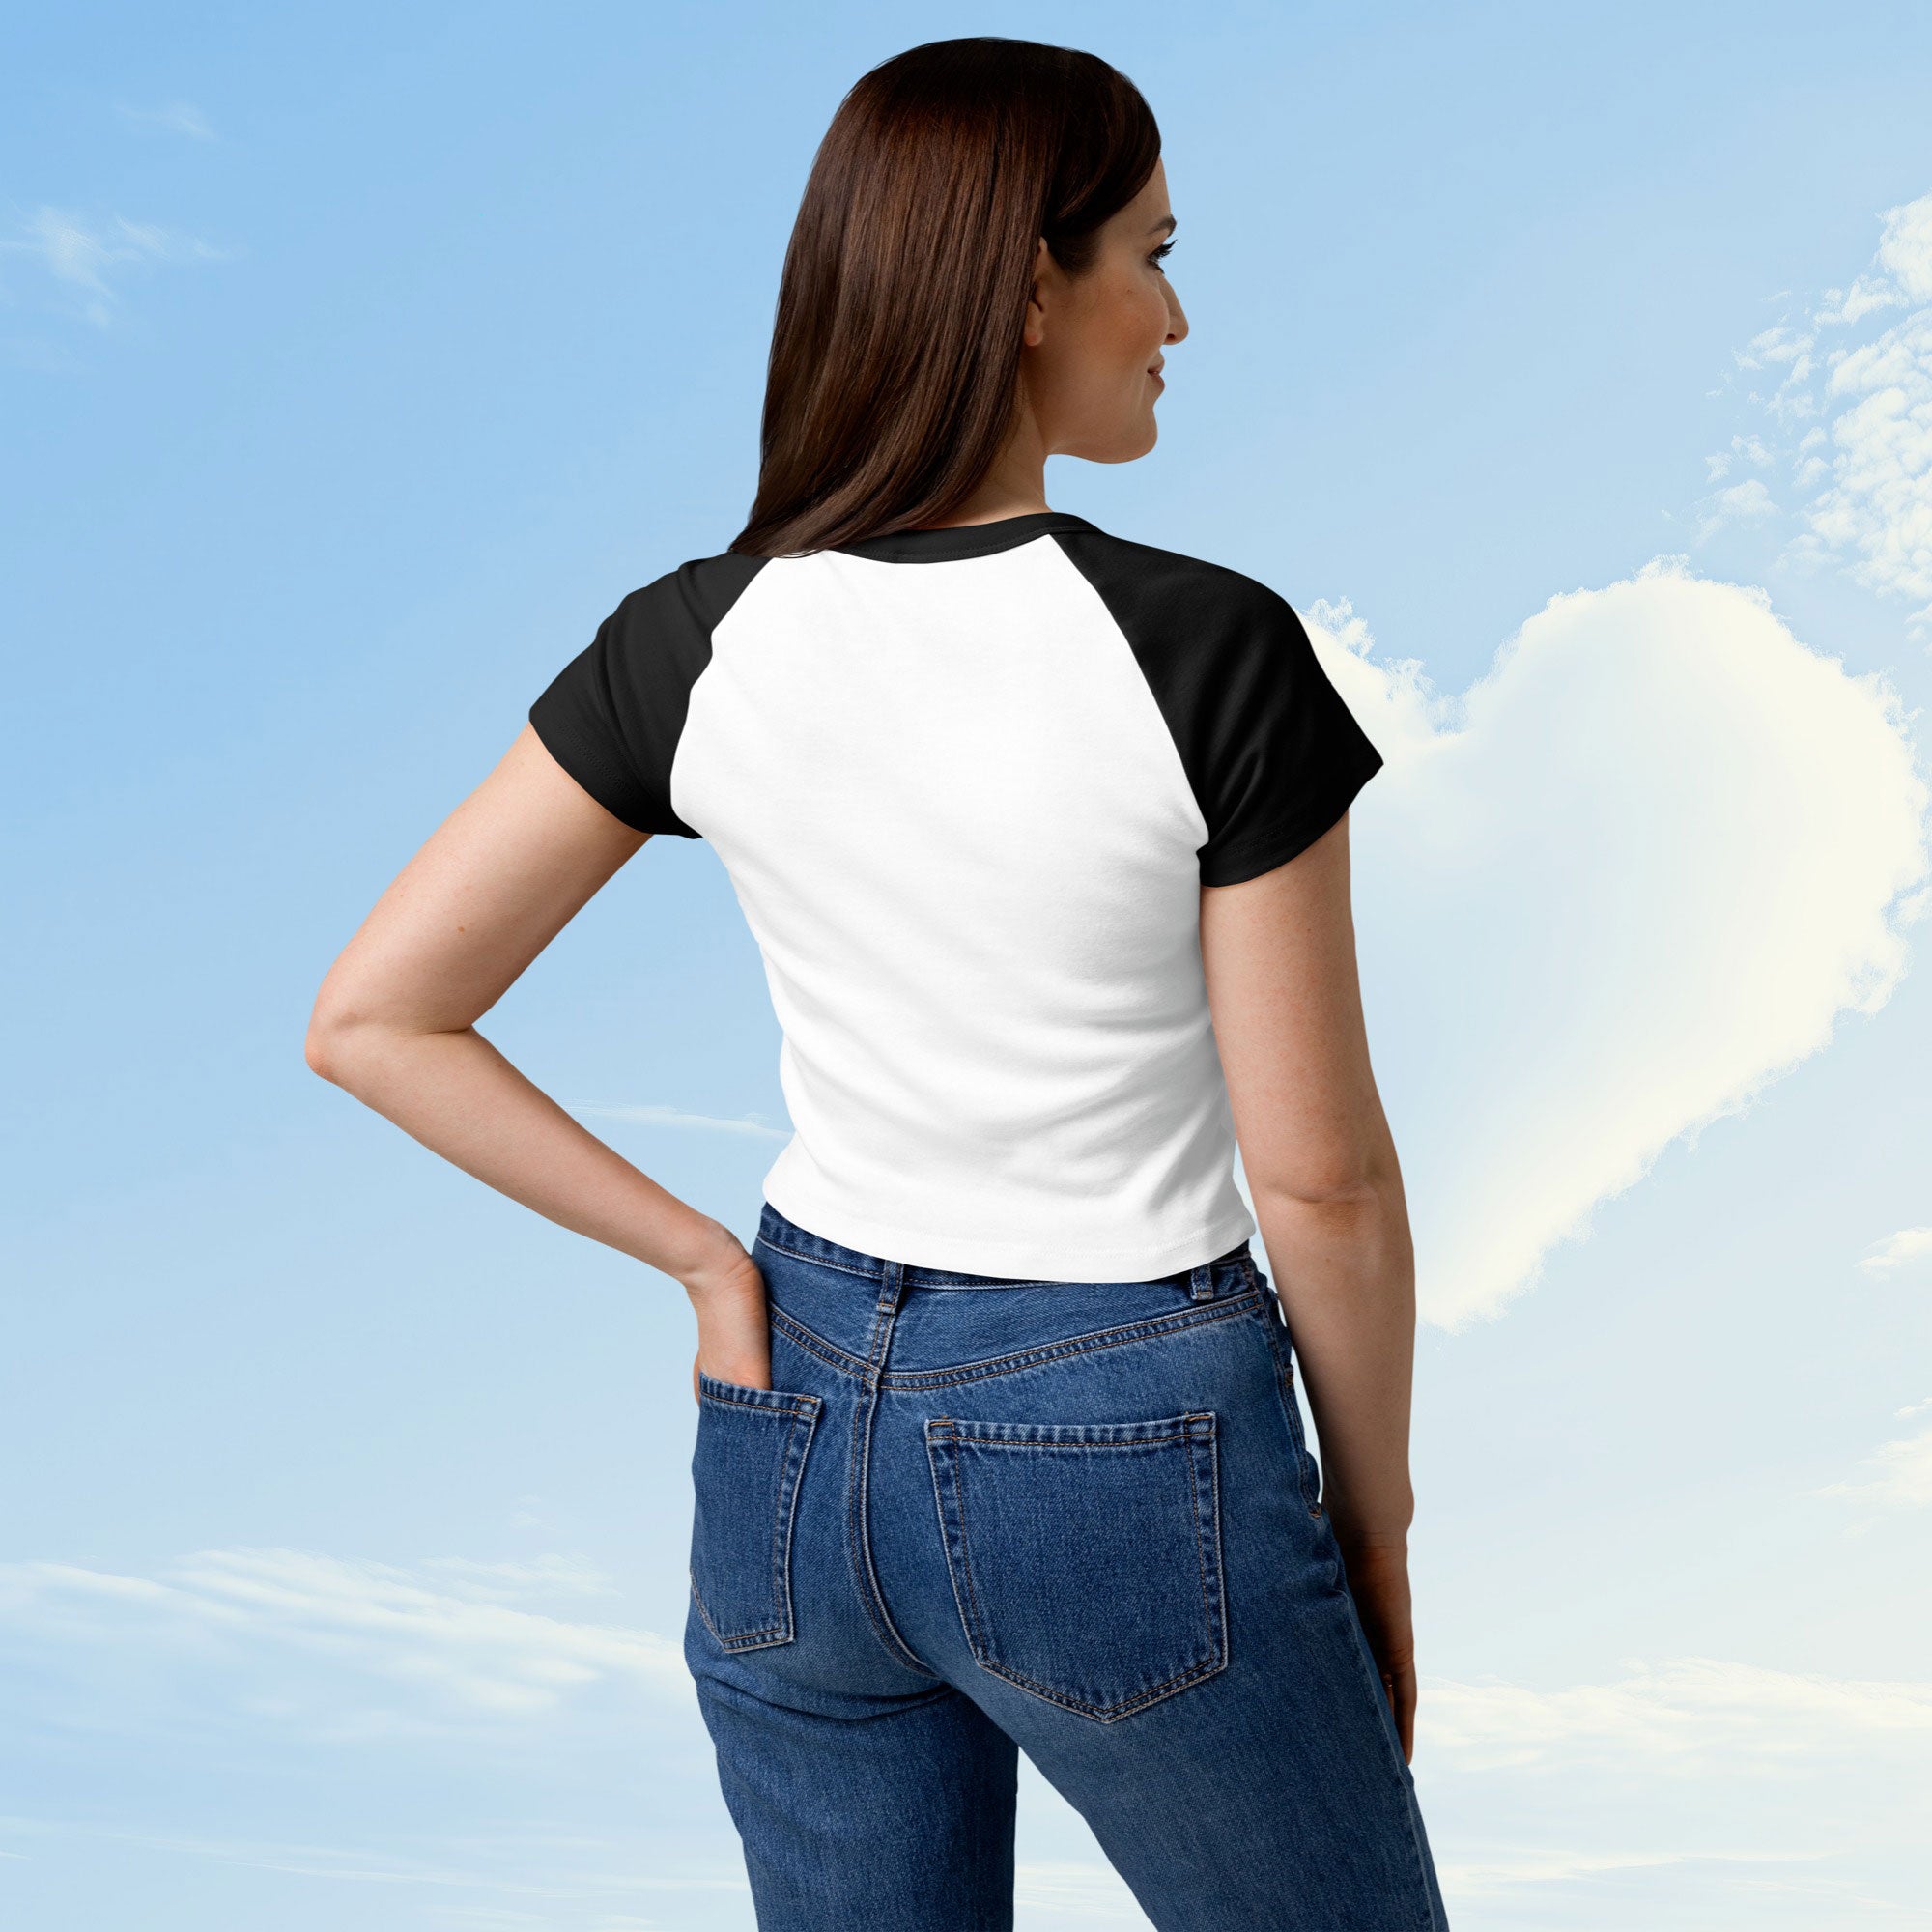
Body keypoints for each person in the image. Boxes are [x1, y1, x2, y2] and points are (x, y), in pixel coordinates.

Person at [304, 35, 1450, 1932]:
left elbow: (375, 1018)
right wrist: (1374, 1524)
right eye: (1152, 255)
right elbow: (1320, 1179)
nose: (1176, 316)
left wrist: (706, 1265)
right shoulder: (1204, 649)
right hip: (1121, 1440)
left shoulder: (697, 636)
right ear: (1029, 284)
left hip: (790, 1421)